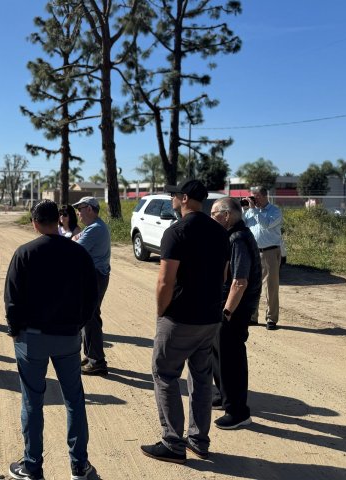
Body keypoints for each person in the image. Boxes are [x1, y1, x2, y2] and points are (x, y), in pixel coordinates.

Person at [4, 200, 99, 480]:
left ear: (34, 222)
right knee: (74, 400)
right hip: (68, 337)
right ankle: (79, 465)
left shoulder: (24, 253)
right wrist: (77, 324)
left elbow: (12, 300)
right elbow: (92, 298)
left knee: (32, 402)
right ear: (58, 220)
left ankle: (32, 466)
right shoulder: (78, 254)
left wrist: (16, 329)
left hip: (31, 339)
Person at [140, 179, 229, 464]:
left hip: (180, 317)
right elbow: (225, 276)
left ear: (186, 198)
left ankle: (172, 442)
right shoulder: (220, 232)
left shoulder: (176, 231)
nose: (172, 200)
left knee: (164, 374)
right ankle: (198, 440)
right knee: (201, 379)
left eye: (175, 196)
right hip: (210, 318)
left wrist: (161, 312)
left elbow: (165, 280)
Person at [209, 197, 262, 430]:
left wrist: (227, 311)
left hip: (235, 309)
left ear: (227, 215)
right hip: (226, 306)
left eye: (214, 213)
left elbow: (239, 281)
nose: (211, 218)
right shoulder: (231, 236)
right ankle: (223, 394)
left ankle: (238, 412)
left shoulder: (238, 238)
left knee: (231, 359)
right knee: (218, 352)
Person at [71, 196, 111, 376]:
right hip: (95, 276)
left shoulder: (95, 229)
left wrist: (73, 238)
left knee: (91, 317)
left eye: (80, 208)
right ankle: (91, 355)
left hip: (95, 277)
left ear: (90, 209)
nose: (78, 212)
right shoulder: (94, 227)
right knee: (89, 316)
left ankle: (97, 361)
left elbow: (75, 250)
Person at [242, 186, 283, 330]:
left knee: (270, 287)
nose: (253, 199)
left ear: (265, 196)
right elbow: (241, 226)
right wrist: (243, 209)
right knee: (252, 286)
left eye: (256, 196)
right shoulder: (249, 212)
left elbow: (266, 225)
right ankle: (252, 316)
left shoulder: (275, 211)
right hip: (252, 252)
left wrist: (253, 210)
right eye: (251, 196)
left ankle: (271, 318)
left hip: (270, 252)